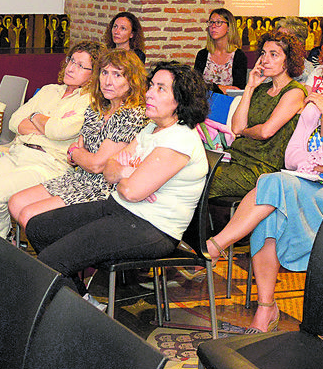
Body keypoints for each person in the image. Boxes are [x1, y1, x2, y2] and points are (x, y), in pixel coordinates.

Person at [204, 37, 323, 333]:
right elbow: (292, 157)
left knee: (273, 183)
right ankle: (265, 309)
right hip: (307, 187)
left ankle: (217, 244)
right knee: (272, 211)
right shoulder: (312, 109)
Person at [25, 62, 210, 293]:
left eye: (161, 89)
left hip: (151, 228)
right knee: (38, 227)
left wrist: (128, 178)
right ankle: (82, 300)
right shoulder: (151, 129)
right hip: (120, 209)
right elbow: (110, 168)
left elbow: (131, 191)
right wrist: (128, 173)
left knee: (52, 261)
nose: (149, 93)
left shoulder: (180, 139)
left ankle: (76, 313)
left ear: (181, 100)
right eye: (151, 86)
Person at [0, 41, 100, 238]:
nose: (71, 68)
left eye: (80, 65)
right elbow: (14, 122)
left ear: (94, 73)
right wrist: (45, 125)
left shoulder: (89, 100)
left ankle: (0, 244)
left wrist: (34, 117)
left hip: (48, 164)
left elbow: (60, 130)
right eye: (71, 60)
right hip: (17, 154)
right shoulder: (49, 90)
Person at [8, 49, 149, 229]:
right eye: (104, 73)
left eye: (117, 75)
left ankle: (57, 254)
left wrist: (76, 153)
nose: (108, 81)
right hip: (79, 177)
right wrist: (77, 154)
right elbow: (77, 153)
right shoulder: (97, 107)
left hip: (104, 188)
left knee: (30, 215)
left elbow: (96, 164)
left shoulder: (131, 114)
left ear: (132, 81)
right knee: (16, 202)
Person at [207, 29, 307, 198]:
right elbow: (237, 127)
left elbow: (265, 132)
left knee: (200, 181)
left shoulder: (295, 92)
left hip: (262, 167)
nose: (265, 60)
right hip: (236, 157)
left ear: (288, 61)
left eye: (274, 54)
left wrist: (246, 132)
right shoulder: (261, 89)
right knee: (192, 173)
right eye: (263, 53)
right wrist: (250, 87)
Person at [194, 7, 248, 93]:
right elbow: (195, 85)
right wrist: (219, 87)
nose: (213, 26)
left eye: (218, 22)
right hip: (204, 103)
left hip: (228, 103)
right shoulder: (203, 54)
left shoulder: (239, 56)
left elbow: (238, 89)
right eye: (211, 22)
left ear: (229, 27)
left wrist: (210, 87)